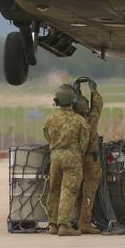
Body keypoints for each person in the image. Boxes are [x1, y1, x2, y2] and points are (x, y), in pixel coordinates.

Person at [43, 83, 90, 237]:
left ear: (56, 101)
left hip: (55, 156)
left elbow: (47, 137)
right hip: (72, 157)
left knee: (54, 189)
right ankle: (64, 224)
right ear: (73, 100)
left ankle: (53, 224)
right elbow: (84, 143)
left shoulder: (50, 119)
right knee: (69, 190)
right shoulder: (80, 120)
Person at [72, 78, 104, 234]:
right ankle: (84, 222)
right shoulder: (90, 121)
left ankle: (75, 220)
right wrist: (94, 91)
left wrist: (75, 91)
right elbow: (97, 107)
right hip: (90, 160)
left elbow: (74, 105)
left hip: (75, 159)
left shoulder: (71, 120)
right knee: (89, 191)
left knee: (75, 191)